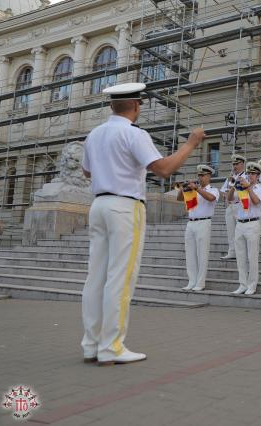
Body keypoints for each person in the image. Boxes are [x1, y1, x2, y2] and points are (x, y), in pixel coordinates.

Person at [81, 82, 205, 365]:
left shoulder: (95, 133)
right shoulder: (133, 133)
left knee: (96, 276)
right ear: (136, 106)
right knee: (120, 276)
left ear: (112, 105)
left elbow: (87, 171)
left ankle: (91, 344)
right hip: (124, 206)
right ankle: (111, 347)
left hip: (99, 204)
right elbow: (162, 169)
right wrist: (191, 143)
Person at [179, 164, 219, 291]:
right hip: (191, 222)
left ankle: (200, 282)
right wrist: (182, 188)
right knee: (190, 254)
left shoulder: (213, 189)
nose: (200, 178)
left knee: (202, 254)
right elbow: (179, 198)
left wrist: (197, 188)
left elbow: (211, 198)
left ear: (209, 176)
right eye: (199, 175)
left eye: (203, 175)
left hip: (204, 222)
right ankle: (192, 281)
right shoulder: (193, 189)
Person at [228, 162, 261, 295]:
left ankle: (252, 285)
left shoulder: (260, 189)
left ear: (258, 176)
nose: (250, 175)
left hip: (253, 224)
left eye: (253, 174)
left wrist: (248, 187)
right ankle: (242, 284)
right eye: (249, 173)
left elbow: (256, 201)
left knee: (252, 256)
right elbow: (229, 199)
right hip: (240, 224)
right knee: (240, 256)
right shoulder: (240, 188)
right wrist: (234, 185)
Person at [219, 154, 247, 260]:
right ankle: (231, 252)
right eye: (233, 164)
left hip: (239, 205)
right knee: (230, 231)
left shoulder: (245, 176)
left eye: (237, 164)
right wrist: (226, 194)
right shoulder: (231, 177)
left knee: (240, 231)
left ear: (242, 164)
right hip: (230, 206)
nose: (235, 166)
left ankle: (241, 252)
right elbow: (222, 191)